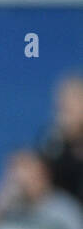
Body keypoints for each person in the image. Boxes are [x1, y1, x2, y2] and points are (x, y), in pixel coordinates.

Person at [40, 73, 83, 206]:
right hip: (58, 215)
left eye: (69, 105)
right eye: (61, 106)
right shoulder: (53, 140)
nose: (62, 112)